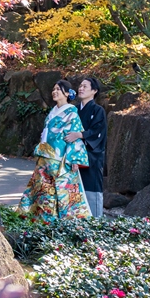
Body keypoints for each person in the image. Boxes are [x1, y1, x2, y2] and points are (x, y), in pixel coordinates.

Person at [17, 79, 92, 220]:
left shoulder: (72, 113)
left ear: (67, 93)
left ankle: (54, 223)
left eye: (58, 89)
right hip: (44, 157)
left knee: (60, 192)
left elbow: (75, 137)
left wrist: (75, 159)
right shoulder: (53, 112)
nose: (54, 91)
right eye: (53, 89)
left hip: (60, 159)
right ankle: (39, 219)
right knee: (41, 189)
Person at [65, 76, 107, 218]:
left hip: (91, 157)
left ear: (94, 91)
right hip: (72, 157)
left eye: (85, 86)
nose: (80, 88)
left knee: (90, 190)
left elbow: (98, 133)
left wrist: (80, 135)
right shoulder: (74, 110)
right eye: (80, 86)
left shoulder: (98, 110)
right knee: (72, 191)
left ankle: (95, 223)